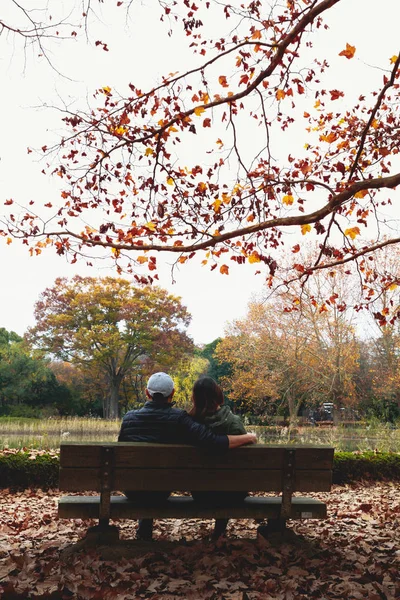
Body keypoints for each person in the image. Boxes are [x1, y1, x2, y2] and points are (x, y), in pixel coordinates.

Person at [118, 372, 257, 540]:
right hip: (161, 491)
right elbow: (212, 441)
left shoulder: (128, 418)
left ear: (147, 393)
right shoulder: (180, 419)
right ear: (173, 393)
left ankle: (144, 531)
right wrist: (249, 437)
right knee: (156, 479)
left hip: (132, 490)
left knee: (146, 476)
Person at [189, 376, 248, 539]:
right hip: (234, 493)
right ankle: (219, 531)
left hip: (200, 493)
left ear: (194, 398)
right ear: (218, 395)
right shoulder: (234, 423)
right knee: (228, 480)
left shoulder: (189, 424)